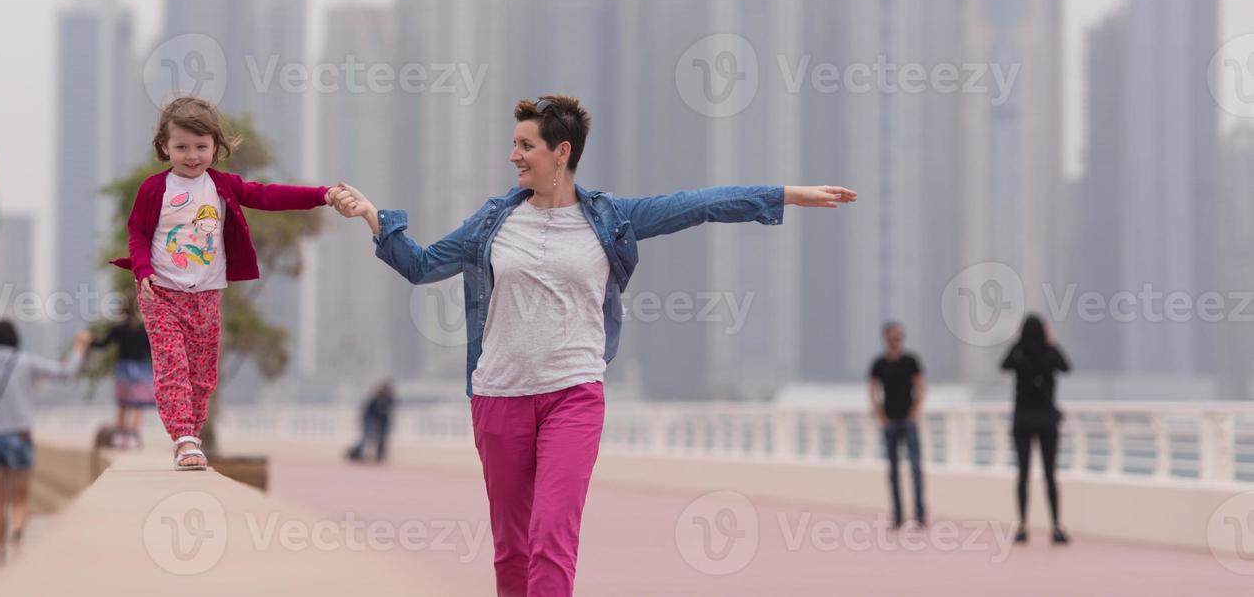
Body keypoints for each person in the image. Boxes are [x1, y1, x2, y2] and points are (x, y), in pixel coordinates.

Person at [330, 94, 856, 597]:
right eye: (514, 144)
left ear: (562, 153)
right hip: (498, 396)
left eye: (525, 146)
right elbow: (421, 266)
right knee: (512, 549)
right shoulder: (492, 222)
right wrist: (376, 217)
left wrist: (784, 195)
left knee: (553, 538)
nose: (513, 155)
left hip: (573, 396)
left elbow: (697, 205)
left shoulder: (611, 218)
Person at [110, 95, 343, 470]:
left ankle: (194, 434)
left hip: (206, 296)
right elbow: (137, 232)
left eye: (201, 147)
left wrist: (322, 195)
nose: (191, 155)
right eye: (181, 147)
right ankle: (183, 439)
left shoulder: (223, 186)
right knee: (173, 366)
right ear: (164, 147)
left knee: (203, 376)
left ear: (216, 147)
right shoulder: (155, 189)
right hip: (161, 294)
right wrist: (142, 271)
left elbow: (267, 196)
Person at [0, 319, 90, 566]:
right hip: (19, 436)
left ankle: (0, 552)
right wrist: (80, 347)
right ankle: (17, 532)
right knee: (20, 498)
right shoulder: (24, 361)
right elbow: (67, 373)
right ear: (15, 339)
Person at [1001, 313, 1072, 545]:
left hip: (1022, 419)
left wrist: (1018, 343)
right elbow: (1066, 366)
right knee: (1050, 474)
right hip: (1046, 419)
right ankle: (1056, 527)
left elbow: (1004, 365)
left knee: (1023, 474)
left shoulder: (1018, 352)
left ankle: (1022, 526)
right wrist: (1051, 342)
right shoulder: (1049, 353)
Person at [868, 321, 926, 529]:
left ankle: (920, 515)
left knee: (916, 468)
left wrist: (915, 411)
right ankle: (898, 515)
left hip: (908, 421)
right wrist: (880, 416)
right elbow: (872, 391)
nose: (896, 340)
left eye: (899, 336)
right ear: (885, 338)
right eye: (893, 336)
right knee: (893, 471)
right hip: (890, 422)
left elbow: (921, 385)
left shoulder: (911, 361)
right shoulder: (879, 364)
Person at [88, 300, 155, 449]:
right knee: (138, 405)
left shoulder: (118, 329)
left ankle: (119, 437)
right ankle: (133, 437)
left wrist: (90, 340)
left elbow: (103, 344)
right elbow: (151, 350)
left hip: (123, 368)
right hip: (142, 369)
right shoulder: (144, 330)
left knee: (123, 403)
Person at [347, 381, 395, 463]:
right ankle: (357, 453)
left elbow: (388, 412)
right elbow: (367, 412)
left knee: (381, 438)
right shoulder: (374, 398)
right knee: (367, 437)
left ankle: (379, 456)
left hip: (382, 421)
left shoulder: (389, 399)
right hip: (370, 419)